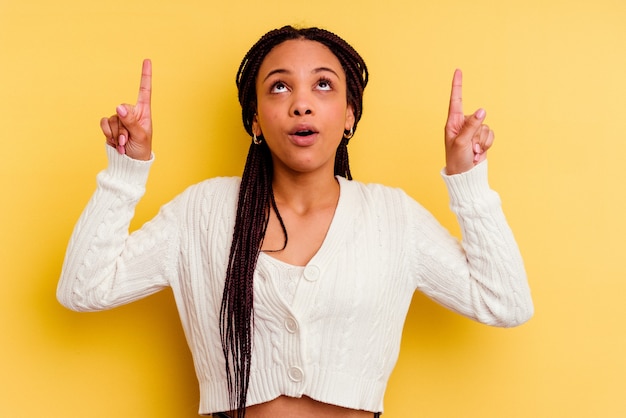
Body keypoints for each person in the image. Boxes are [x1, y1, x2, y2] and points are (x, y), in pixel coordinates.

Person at [57, 25, 534, 418]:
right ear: (255, 121)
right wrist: (125, 171)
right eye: (279, 86)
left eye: (323, 84)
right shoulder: (201, 213)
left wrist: (467, 180)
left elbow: (505, 303)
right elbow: (83, 289)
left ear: (349, 115)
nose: (301, 103)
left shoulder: (393, 218)